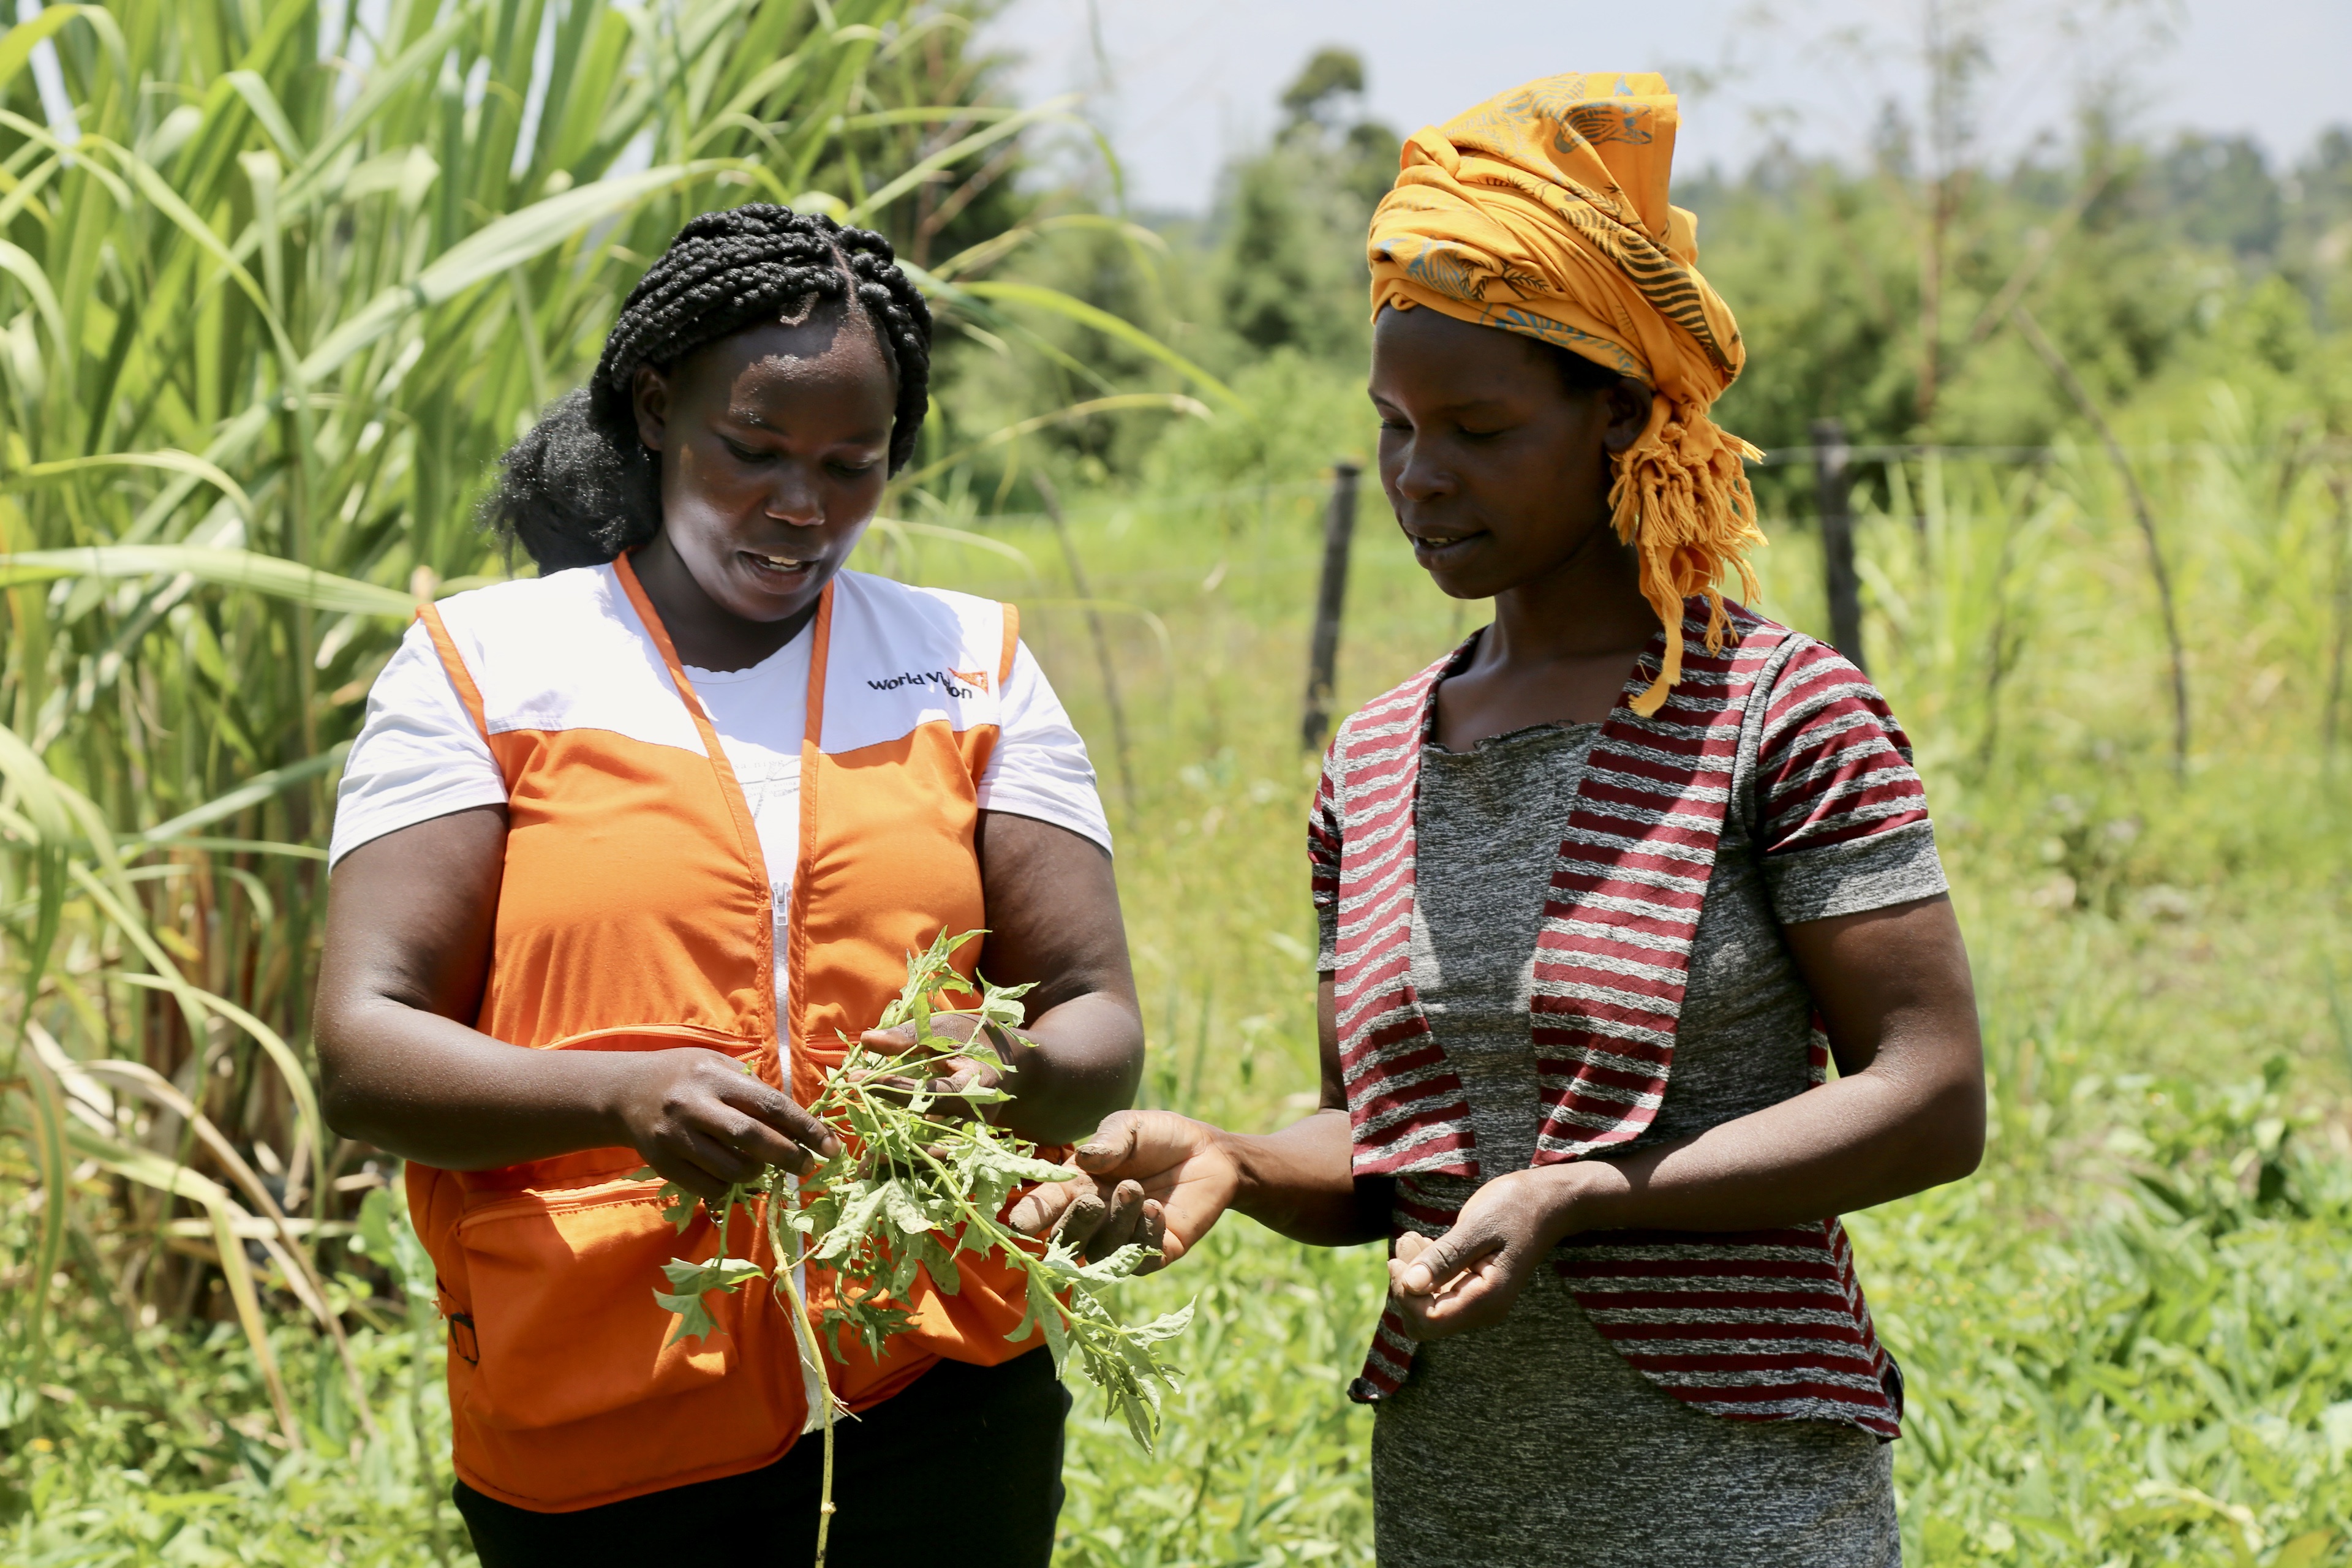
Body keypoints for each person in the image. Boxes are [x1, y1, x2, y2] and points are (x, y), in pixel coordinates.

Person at [1018, 73, 1986, 1566]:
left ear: (1615, 410)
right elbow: (1392, 1148)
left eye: (1476, 424)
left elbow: (1930, 1091)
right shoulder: (1379, 755)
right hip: (1462, 1496)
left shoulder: (1779, 715)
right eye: (1397, 425)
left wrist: (1585, 1195)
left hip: (1738, 1497)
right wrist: (1230, 1153)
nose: (1420, 476)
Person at [313, 205, 1147, 1567]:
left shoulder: (971, 665)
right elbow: (364, 1048)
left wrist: (997, 1065)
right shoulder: (488, 665)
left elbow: (1098, 1015)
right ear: (656, 409)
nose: (801, 506)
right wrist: (618, 1092)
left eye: (850, 463)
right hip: (601, 1401)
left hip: (938, 1385)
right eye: (752, 452)